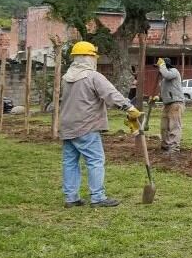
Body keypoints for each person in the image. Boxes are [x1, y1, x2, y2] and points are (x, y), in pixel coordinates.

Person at [59, 41, 142, 208]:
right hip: (86, 125)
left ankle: (71, 198)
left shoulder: (66, 78)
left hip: (67, 125)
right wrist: (129, 107)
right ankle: (98, 197)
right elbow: (111, 94)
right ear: (89, 58)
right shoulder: (93, 76)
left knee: (70, 161)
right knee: (95, 160)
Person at [155, 57, 184, 156]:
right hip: (167, 104)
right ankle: (166, 145)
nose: (159, 70)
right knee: (164, 127)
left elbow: (167, 75)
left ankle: (174, 148)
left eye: (160, 67)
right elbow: (165, 91)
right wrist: (157, 97)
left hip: (175, 103)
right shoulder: (163, 80)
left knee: (174, 126)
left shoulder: (173, 71)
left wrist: (161, 65)